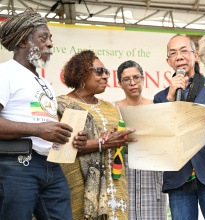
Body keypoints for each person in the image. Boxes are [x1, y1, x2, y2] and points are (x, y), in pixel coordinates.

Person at [0, 9, 87, 220]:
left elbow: (47, 128)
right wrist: (38, 130)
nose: (49, 44)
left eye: (50, 38)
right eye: (43, 37)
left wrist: (71, 138)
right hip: (17, 166)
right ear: (23, 41)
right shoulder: (5, 73)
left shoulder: (44, 82)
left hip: (51, 166)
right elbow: (40, 128)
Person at [153, 34, 205, 220]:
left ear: (195, 55)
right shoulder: (161, 97)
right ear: (168, 61)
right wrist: (170, 97)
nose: (179, 56)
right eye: (173, 53)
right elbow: (158, 137)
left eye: (184, 51)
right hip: (178, 176)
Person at [56, 50, 136, 220]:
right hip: (79, 186)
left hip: (115, 185)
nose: (106, 76)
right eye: (99, 71)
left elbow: (119, 144)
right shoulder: (63, 105)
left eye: (107, 72)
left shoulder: (111, 108)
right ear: (82, 73)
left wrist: (122, 139)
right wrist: (101, 143)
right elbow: (61, 149)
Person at [115, 60, 168, 220]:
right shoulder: (113, 109)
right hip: (124, 177)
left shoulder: (155, 107)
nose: (132, 83)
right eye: (126, 79)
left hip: (151, 177)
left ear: (143, 79)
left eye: (136, 77)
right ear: (119, 83)